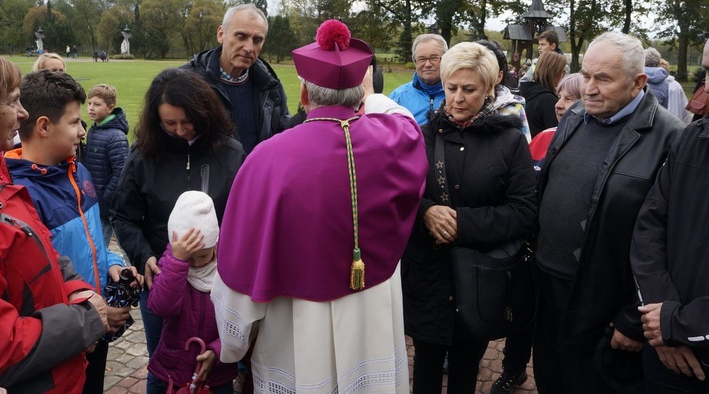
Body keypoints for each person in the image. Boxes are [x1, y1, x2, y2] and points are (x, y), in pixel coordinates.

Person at [212, 20, 428, 393]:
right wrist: (362, 95)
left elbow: (241, 267)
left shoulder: (266, 159)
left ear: (304, 95)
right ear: (362, 93)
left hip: (296, 332)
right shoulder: (399, 139)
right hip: (371, 319)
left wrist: (232, 343)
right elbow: (394, 112)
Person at [533, 32, 686, 394]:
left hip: (604, 306)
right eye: (585, 76)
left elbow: (672, 240)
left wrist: (634, 318)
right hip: (549, 287)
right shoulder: (574, 115)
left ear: (638, 83)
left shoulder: (671, 138)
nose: (589, 88)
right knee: (551, 380)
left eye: (603, 79)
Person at [0, 47, 108, 393]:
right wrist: (85, 321)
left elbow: (46, 256)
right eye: (12, 102)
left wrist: (81, 291)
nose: (22, 113)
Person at [402, 42, 537, 394]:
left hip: (479, 279)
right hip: (429, 276)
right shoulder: (422, 135)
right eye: (451, 88)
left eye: (469, 89)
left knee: (466, 369)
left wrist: (461, 223)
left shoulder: (509, 141)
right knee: (426, 366)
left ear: (489, 89)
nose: (458, 98)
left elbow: (523, 211)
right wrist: (426, 211)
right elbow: (400, 193)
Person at [4, 70, 143, 394]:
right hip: (64, 341)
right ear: (43, 126)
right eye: (74, 122)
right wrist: (94, 316)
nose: (83, 131)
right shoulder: (18, 193)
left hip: (96, 325)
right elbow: (37, 288)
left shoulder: (78, 171)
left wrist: (113, 264)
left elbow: (93, 239)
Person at [111, 68, 245, 371]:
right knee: (163, 365)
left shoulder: (231, 154)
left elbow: (245, 220)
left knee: (216, 364)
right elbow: (123, 216)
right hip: (162, 280)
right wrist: (143, 255)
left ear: (204, 113)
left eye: (188, 121)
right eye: (169, 123)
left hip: (217, 283)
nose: (181, 130)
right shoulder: (144, 155)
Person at [631, 114, 709, 392]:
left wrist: (679, 325)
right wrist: (663, 322)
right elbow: (650, 226)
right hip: (665, 356)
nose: (707, 88)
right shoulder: (693, 138)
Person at [147, 191, 237, 394]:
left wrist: (218, 349)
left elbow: (238, 320)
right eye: (190, 258)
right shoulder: (171, 263)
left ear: (215, 242)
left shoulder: (229, 266)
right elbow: (160, 307)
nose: (195, 264)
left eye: (203, 256)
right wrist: (177, 263)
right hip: (174, 371)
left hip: (218, 370)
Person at [182, 4, 289, 154]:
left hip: (255, 177)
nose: (249, 48)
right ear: (221, 34)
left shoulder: (271, 87)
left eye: (257, 40)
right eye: (241, 37)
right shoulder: (185, 83)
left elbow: (283, 139)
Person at [84, 84, 129, 245]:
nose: (91, 108)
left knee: (120, 241)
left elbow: (121, 171)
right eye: (89, 104)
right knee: (97, 241)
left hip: (109, 203)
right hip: (96, 199)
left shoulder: (116, 136)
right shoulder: (93, 130)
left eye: (97, 104)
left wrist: (106, 196)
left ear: (110, 108)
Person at [527, 73, 584, 173]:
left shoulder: (596, 143)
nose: (558, 105)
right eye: (559, 97)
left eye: (568, 99)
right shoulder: (543, 137)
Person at [388, 33, 448, 125]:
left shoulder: (457, 95)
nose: (427, 64)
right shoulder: (397, 98)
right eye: (422, 59)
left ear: (446, 59)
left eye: (434, 58)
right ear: (415, 62)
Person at [518, 50, 567, 138]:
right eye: (563, 72)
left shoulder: (526, 92)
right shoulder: (548, 100)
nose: (564, 75)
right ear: (554, 72)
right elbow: (555, 136)